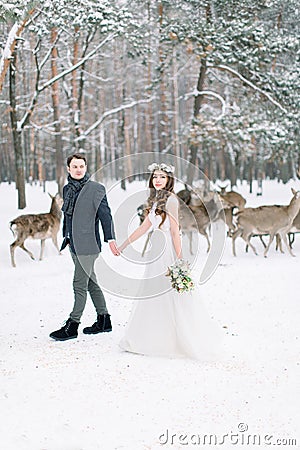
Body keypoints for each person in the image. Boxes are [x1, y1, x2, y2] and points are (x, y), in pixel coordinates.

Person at [117, 162, 222, 359]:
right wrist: (123, 245)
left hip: (167, 251)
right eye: (155, 177)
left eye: (162, 177)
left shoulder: (172, 201)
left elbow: (175, 231)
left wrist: (179, 259)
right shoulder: (156, 201)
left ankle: (175, 336)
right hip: (155, 251)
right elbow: (143, 228)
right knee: (154, 293)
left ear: (169, 180)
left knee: (170, 292)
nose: (158, 180)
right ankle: (153, 334)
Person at [50, 153, 119, 341]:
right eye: (75, 166)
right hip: (73, 243)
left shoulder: (96, 189)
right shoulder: (67, 189)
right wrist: (67, 237)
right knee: (90, 282)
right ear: (69, 169)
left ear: (86, 167)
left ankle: (72, 326)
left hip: (89, 245)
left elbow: (106, 215)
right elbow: (68, 216)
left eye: (82, 166)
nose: (79, 169)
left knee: (79, 284)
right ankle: (104, 320)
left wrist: (110, 238)